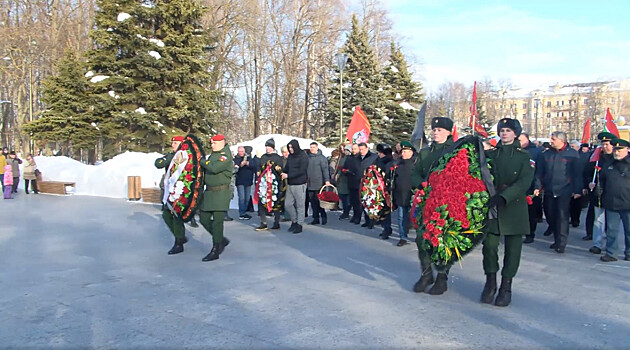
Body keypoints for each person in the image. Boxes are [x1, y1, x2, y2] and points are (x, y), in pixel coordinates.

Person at [480, 119, 534, 307]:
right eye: (502, 130)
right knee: (489, 246)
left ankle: (506, 286)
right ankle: (491, 282)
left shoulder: (524, 156)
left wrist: (505, 197)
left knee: (513, 250)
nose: (504, 134)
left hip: (513, 206)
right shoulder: (491, 154)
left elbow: (524, 181)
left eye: (508, 131)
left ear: (516, 134)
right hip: (492, 204)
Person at [412, 117, 455, 295]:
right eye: (434, 130)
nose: (435, 133)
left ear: (448, 132)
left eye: (439, 130)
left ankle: (442, 277)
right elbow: (415, 173)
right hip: (426, 201)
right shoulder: (425, 152)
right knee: (422, 239)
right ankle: (426, 273)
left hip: (446, 203)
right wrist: (421, 184)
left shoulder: (455, 152)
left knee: (443, 241)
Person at [537, 131, 582, 253]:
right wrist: (538, 186)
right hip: (549, 189)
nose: (551, 141)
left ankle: (561, 242)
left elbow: (577, 174)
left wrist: (577, 189)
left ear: (562, 141)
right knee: (550, 215)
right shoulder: (546, 154)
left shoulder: (572, 154)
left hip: (564, 190)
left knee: (562, 217)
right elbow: (540, 172)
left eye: (553, 139)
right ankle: (556, 239)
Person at [199, 134, 233, 261]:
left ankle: (215, 249)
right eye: (211, 143)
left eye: (214, 143)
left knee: (218, 222)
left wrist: (203, 161)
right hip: (209, 193)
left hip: (220, 193)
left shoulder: (225, 156)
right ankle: (220, 239)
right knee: (204, 219)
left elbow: (214, 168)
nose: (212, 145)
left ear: (222, 143)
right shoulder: (214, 154)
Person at [155, 136, 189, 255]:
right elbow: (158, 163)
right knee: (166, 214)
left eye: (175, 143)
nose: (173, 145)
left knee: (176, 215)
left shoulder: (185, 155)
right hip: (169, 189)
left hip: (180, 190)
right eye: (172, 143)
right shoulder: (171, 155)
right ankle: (179, 236)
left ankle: (178, 243)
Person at [583, 132, 616, 251]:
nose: (605, 147)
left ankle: (611, 245)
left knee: (613, 223)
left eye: (607, 144)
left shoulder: (617, 158)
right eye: (603, 144)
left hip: (614, 195)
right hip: (598, 194)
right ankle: (597, 244)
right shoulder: (596, 157)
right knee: (598, 220)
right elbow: (587, 173)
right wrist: (588, 183)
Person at [599, 138, 630, 262]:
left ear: (627, 150)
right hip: (611, 202)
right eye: (615, 150)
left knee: (629, 231)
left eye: (620, 150)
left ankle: (629, 252)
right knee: (611, 231)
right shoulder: (609, 164)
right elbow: (602, 181)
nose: (616, 152)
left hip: (628, 203)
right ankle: (611, 253)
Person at [255, 138, 285, 231]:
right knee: (262, 202)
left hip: (274, 184)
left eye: (269, 147)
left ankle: (276, 222)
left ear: (273, 147)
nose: (267, 148)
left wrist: (276, 168)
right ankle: (263, 222)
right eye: (266, 146)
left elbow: (281, 170)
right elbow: (259, 166)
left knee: (276, 202)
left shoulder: (278, 158)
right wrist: (258, 171)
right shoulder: (263, 157)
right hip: (264, 184)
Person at [519, 133, 542, 244]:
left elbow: (539, 171)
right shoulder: (516, 150)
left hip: (531, 187)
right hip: (518, 186)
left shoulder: (536, 152)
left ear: (527, 140)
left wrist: (537, 186)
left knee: (531, 213)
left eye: (521, 140)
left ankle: (530, 234)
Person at [391, 141, 415, 246]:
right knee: (401, 217)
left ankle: (419, 237)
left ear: (411, 152)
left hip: (412, 195)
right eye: (403, 151)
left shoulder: (415, 164)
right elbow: (393, 178)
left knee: (415, 218)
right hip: (400, 195)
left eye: (406, 151)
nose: (404, 154)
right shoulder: (398, 164)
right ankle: (402, 237)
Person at [283, 139, 309, 234]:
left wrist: (289, 175)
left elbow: (302, 171)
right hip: (290, 183)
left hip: (300, 183)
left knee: (300, 205)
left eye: (292, 147)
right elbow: (287, 168)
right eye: (289, 148)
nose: (290, 149)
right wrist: (281, 171)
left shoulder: (303, 156)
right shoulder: (290, 157)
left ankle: (299, 224)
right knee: (288, 204)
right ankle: (294, 220)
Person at [352, 143, 378, 228]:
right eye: (360, 150)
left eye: (363, 149)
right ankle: (366, 220)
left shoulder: (373, 157)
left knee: (370, 202)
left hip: (369, 183)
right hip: (358, 183)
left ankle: (371, 221)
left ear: (367, 148)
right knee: (362, 203)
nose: (361, 151)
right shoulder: (357, 158)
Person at [306, 142, 331, 225]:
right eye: (311, 147)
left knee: (319, 201)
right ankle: (315, 218)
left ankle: (323, 216)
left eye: (313, 147)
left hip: (319, 183)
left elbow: (325, 170)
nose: (312, 149)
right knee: (312, 202)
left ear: (317, 148)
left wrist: (327, 180)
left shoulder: (321, 158)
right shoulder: (308, 158)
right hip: (310, 183)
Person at [374, 144, 394, 239]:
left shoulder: (389, 162)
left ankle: (387, 228)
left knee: (386, 210)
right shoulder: (378, 160)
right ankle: (385, 227)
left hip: (385, 188)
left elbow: (388, 175)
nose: (379, 154)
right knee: (381, 208)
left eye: (380, 152)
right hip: (378, 187)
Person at [569, 142, 591, 227]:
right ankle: (572, 218)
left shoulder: (582, 157)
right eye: (570, 146)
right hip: (568, 183)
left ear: (578, 147)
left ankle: (575, 220)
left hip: (578, 182)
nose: (571, 148)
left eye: (573, 146)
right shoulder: (568, 156)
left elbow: (582, 173)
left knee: (576, 204)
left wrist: (581, 187)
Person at [234, 146, 255, 220]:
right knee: (242, 198)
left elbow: (254, 166)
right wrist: (240, 165)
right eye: (240, 151)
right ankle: (242, 213)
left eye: (242, 151)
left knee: (247, 198)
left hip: (248, 181)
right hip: (240, 181)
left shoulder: (249, 158)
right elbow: (235, 169)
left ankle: (245, 211)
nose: (241, 153)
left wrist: (248, 163)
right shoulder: (236, 159)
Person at [336, 144, 353, 220]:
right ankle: (345, 211)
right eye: (344, 150)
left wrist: (346, 170)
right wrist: (338, 173)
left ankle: (347, 211)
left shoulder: (351, 158)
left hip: (348, 180)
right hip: (342, 179)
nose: (345, 151)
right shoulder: (342, 158)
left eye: (347, 150)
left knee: (347, 198)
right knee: (343, 197)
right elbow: (340, 167)